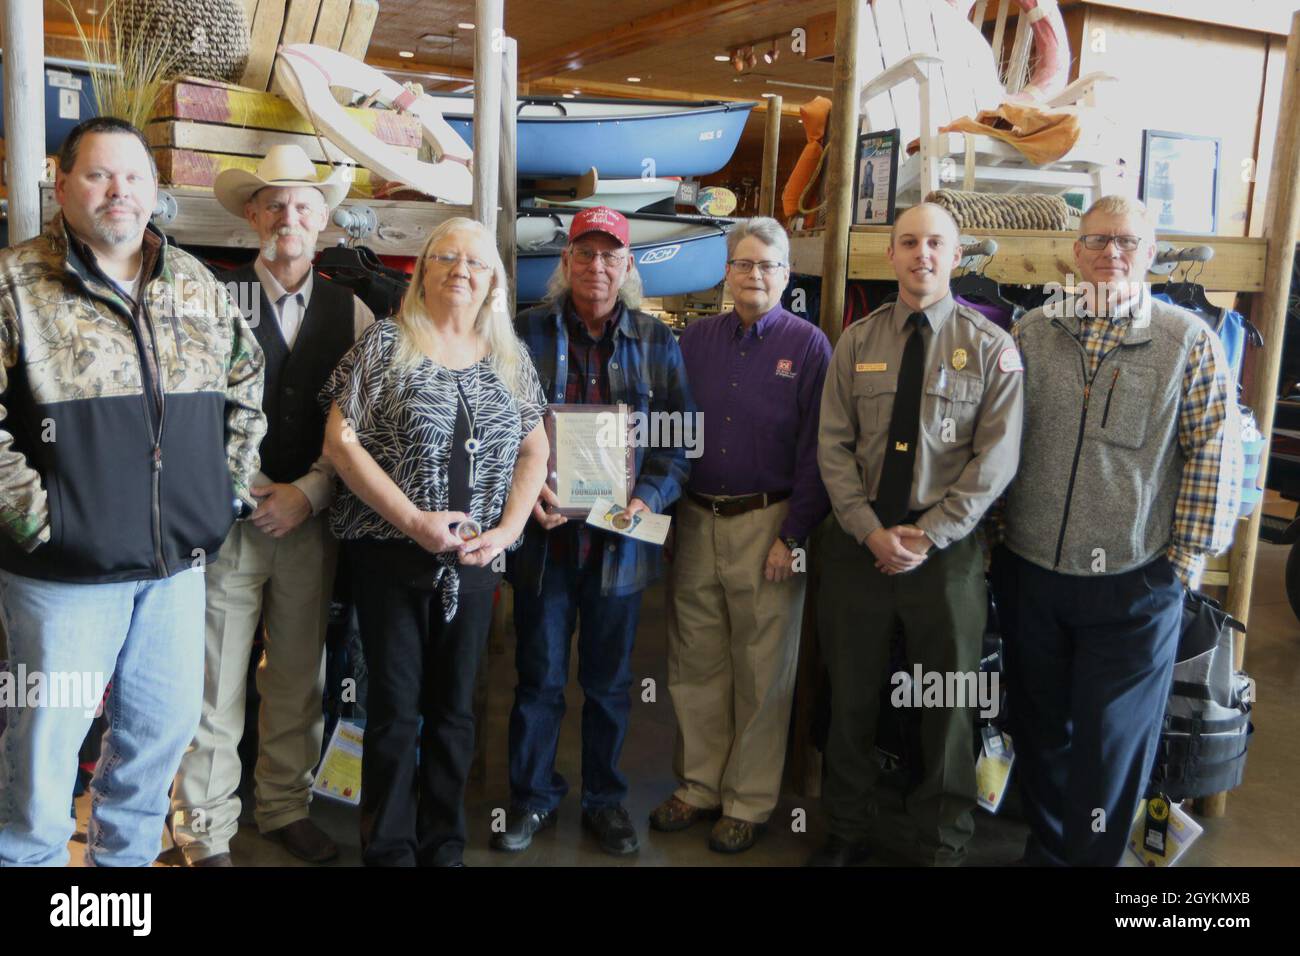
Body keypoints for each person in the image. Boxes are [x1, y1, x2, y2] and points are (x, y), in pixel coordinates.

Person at [0, 116, 265, 866]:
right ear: (63, 183)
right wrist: (39, 521)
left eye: (136, 177)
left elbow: (247, 384)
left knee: (156, 747)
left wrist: (226, 494)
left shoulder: (194, 284)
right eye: (99, 175)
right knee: (43, 763)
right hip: (62, 577)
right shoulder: (16, 283)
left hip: (175, 570)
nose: (120, 191)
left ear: (155, 190)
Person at [992, 195, 1242, 866]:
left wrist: (1180, 567)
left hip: (1133, 587)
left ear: (1150, 253)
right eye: (1097, 240)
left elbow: (1216, 454)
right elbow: (998, 443)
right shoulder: (1033, 334)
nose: (1111, 253)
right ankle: (1048, 848)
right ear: (1075, 252)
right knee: (1041, 728)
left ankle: (1092, 860)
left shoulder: (1186, 340)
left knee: (1111, 745)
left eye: (1126, 242)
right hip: (1032, 572)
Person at [320, 217, 548, 867]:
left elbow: (537, 446)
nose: (461, 271)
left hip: (476, 563)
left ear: (493, 282)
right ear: (422, 270)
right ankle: (388, 848)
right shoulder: (387, 343)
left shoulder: (508, 356)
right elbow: (340, 443)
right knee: (394, 711)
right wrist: (414, 522)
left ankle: (443, 843)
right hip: (390, 556)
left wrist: (507, 531)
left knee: (455, 712)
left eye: (476, 263)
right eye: (446, 257)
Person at [170, 146, 375, 867]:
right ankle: (204, 827)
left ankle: (285, 807)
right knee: (213, 681)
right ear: (254, 216)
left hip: (310, 523)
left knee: (298, 676)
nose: (290, 216)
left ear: (323, 221)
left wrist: (307, 493)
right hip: (227, 522)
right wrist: (244, 483)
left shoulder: (351, 311)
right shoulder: (215, 296)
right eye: (276, 204)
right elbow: (188, 407)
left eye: (304, 206)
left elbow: (355, 423)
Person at [811, 202, 1023, 866]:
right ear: (892, 255)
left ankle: (941, 843)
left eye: (935, 243)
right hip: (858, 548)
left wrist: (927, 536)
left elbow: (997, 461)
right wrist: (871, 532)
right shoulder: (858, 341)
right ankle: (846, 829)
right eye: (909, 242)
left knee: (949, 706)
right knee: (850, 697)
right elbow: (833, 447)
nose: (922, 254)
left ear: (956, 257)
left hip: (947, 556)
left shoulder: (993, 349)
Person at [497, 206, 694, 856]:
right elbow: (499, 435)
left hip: (621, 548)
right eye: (585, 253)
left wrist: (647, 498)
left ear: (628, 266)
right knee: (540, 680)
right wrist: (530, 495)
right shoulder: (523, 334)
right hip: (546, 543)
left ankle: (606, 803)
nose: (598, 266)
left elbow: (678, 442)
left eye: (611, 255)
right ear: (565, 262)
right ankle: (531, 799)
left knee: (611, 687)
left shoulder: (657, 342)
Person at [650, 217, 831, 853]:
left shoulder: (810, 347)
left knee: (763, 670)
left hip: (771, 525)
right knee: (693, 659)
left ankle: (748, 800)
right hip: (696, 518)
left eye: (769, 266)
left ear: (786, 275)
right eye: (745, 264)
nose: (756, 275)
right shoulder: (694, 339)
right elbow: (670, 428)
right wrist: (666, 516)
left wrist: (796, 535)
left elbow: (819, 451)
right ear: (726, 271)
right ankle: (698, 785)